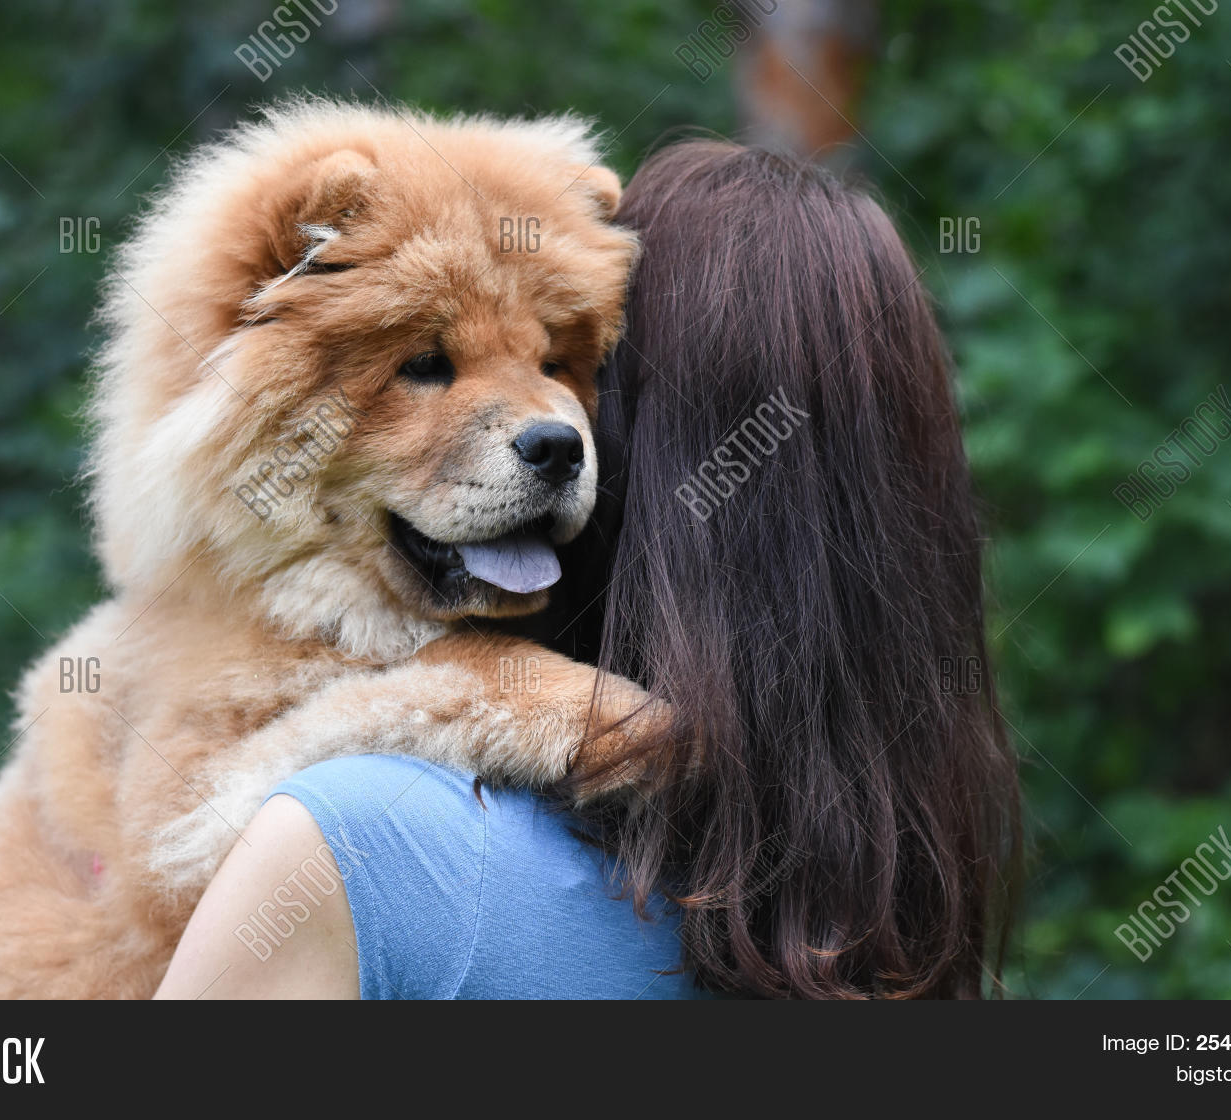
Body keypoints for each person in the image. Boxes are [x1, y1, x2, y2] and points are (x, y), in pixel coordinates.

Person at [155, 140, 1020, 1000]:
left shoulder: (355, 849)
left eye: (569, 369)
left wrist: (457, 695)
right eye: (430, 367)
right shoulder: (898, 913)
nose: (555, 425)